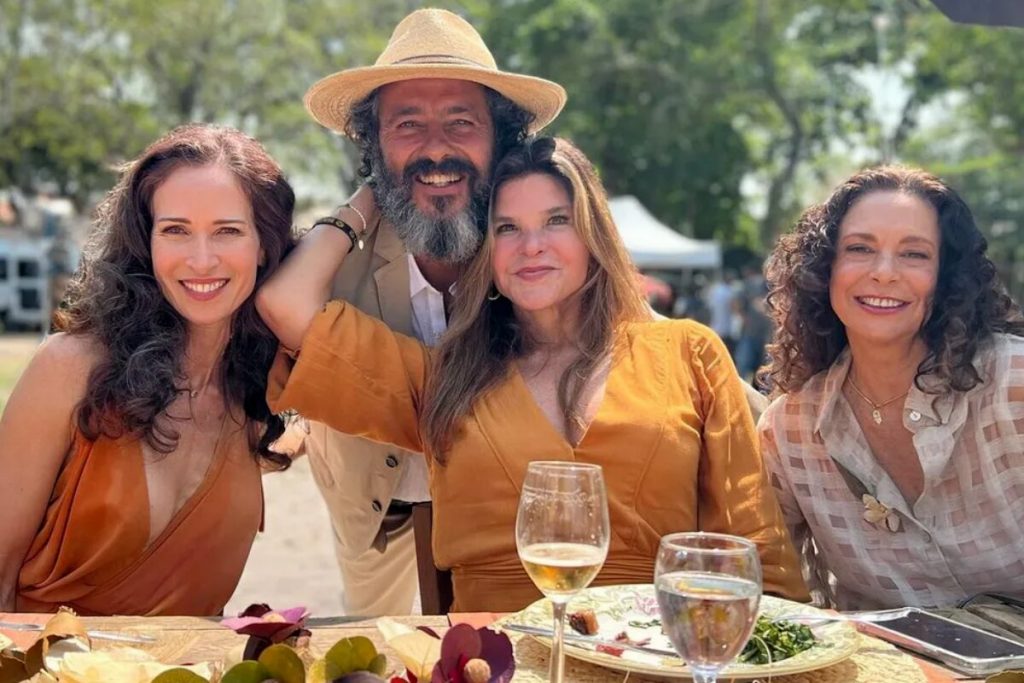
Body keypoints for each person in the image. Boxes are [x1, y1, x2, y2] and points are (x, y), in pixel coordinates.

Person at [258, 136, 809, 613]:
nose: (532, 246)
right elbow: (286, 303)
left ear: (594, 233)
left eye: (556, 220)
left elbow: (757, 551)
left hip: (651, 654)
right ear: (487, 251)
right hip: (496, 657)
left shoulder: (689, 353)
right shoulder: (443, 377)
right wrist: (377, 189)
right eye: (507, 227)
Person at [294, 7, 566, 615]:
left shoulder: (536, 249)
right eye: (407, 125)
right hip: (374, 515)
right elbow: (278, 310)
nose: (436, 148)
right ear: (374, 145)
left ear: (501, 140)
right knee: (375, 650)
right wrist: (372, 193)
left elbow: (641, 339)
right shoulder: (333, 260)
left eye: (461, 122)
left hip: (505, 514)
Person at [0, 124, 295, 615]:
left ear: (265, 245)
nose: (201, 260)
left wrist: (365, 200)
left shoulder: (255, 395)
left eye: (228, 231)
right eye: (175, 230)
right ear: (146, 241)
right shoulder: (71, 368)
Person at [759, 165, 1024, 609]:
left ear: (947, 277)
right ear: (824, 269)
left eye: (914, 254)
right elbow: (775, 596)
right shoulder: (789, 432)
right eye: (860, 248)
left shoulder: (1014, 385)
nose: (884, 273)